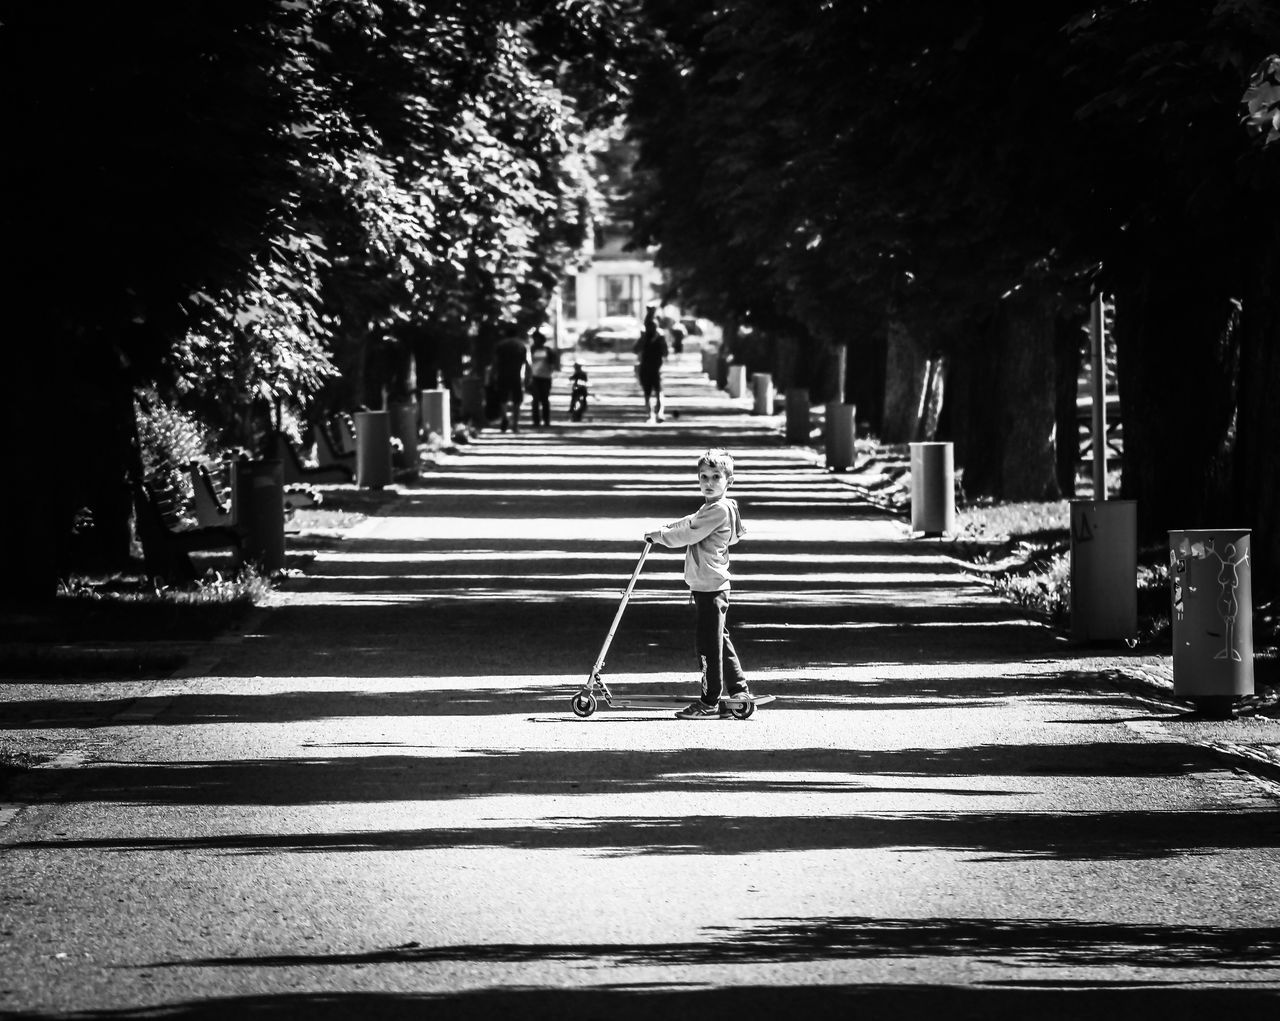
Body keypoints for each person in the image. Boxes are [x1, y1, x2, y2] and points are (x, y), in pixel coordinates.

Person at [644, 448, 752, 719]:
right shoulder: (713, 508)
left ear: (730, 480)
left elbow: (690, 533)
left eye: (716, 477)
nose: (708, 482)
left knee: (708, 646)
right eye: (703, 477)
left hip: (710, 587)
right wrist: (665, 528)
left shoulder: (717, 511)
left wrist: (663, 537)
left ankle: (709, 701)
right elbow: (690, 521)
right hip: (709, 586)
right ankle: (739, 690)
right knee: (719, 640)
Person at [491, 330, 531, 432]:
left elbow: (495, 361)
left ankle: (504, 417)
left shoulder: (500, 345)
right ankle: (515, 425)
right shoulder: (521, 345)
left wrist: (493, 374)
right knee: (517, 400)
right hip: (516, 375)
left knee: (503, 398)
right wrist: (527, 377)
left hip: (502, 374)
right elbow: (526, 363)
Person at [634, 305, 668, 422]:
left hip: (648, 367)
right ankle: (657, 414)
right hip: (655, 367)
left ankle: (652, 414)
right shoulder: (659, 337)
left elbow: (635, 349)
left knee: (649, 393)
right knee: (657, 391)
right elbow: (665, 353)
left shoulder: (646, 337)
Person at [528, 332, 559, 428]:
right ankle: (536, 421)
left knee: (545, 400)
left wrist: (550, 370)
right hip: (535, 378)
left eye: (537, 339)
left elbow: (553, 364)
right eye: (534, 339)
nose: (535, 341)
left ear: (542, 340)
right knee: (535, 400)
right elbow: (528, 364)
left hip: (545, 378)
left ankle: (546, 420)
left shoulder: (548, 350)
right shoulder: (531, 350)